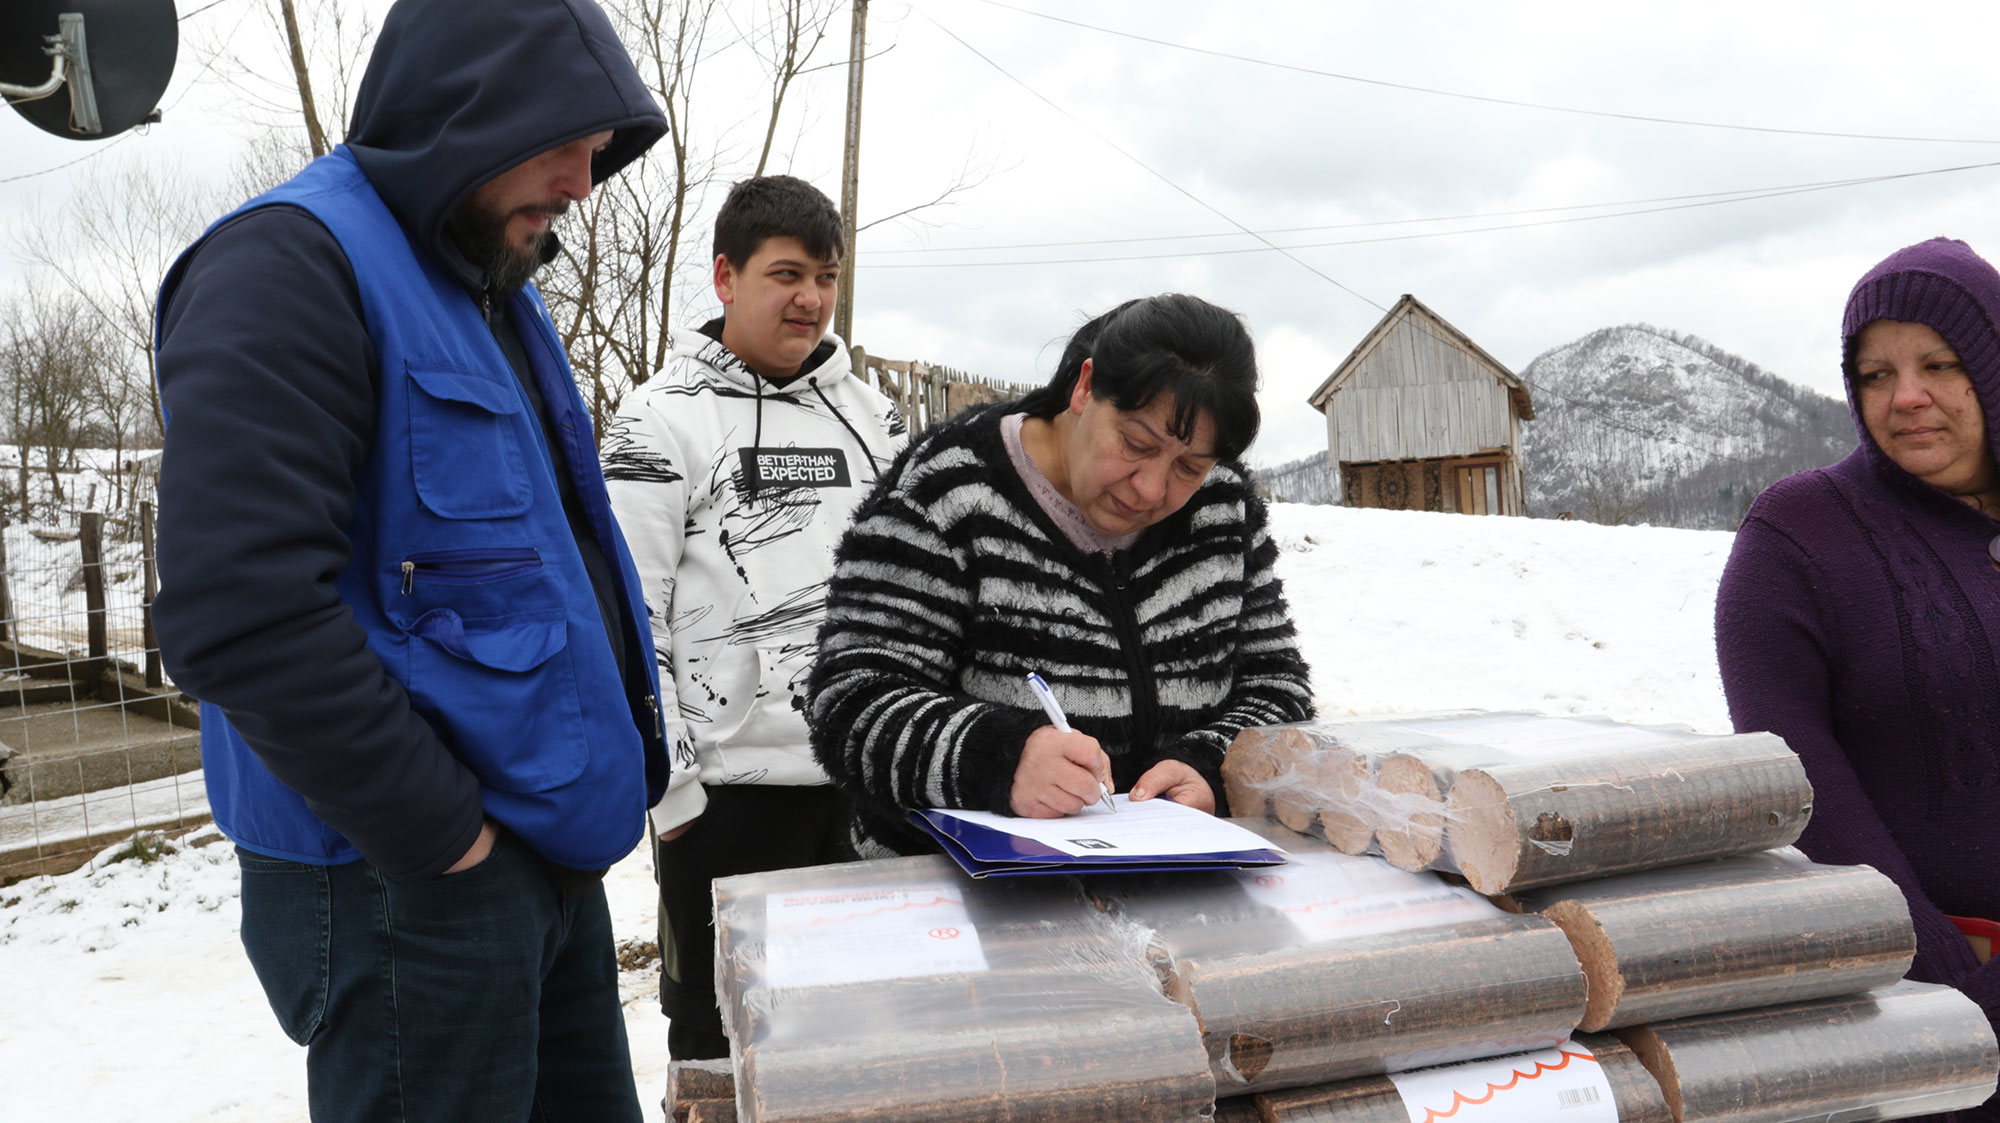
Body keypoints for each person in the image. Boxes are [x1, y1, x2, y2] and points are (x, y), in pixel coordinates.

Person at [150, 1, 670, 1118]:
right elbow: (235, 610)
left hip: (525, 851)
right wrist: (448, 844)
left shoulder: (476, 285)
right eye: (569, 138)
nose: (587, 180)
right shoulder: (288, 265)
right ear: (466, 112)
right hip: (402, 875)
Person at [808, 293, 1315, 859]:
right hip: (957, 899)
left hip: (1176, 883)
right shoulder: (949, 493)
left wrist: (1210, 765)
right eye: (1136, 444)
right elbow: (849, 702)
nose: (1150, 488)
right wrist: (998, 758)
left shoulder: (1223, 509)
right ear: (1084, 387)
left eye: (1188, 468)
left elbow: (1278, 686)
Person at [602, 175, 905, 1060]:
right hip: (729, 807)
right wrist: (676, 796)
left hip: (864, 794)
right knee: (727, 1050)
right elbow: (628, 620)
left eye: (826, 275)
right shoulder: (659, 420)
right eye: (785, 274)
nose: (810, 298)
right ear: (726, 277)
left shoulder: (870, 417)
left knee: (868, 1037)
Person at [1716, 236, 2000, 1121]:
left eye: (1939, 364)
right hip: (1920, 1009)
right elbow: (1798, 781)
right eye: (1874, 374)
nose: (1904, 396)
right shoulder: (1801, 535)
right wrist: (1947, 978)